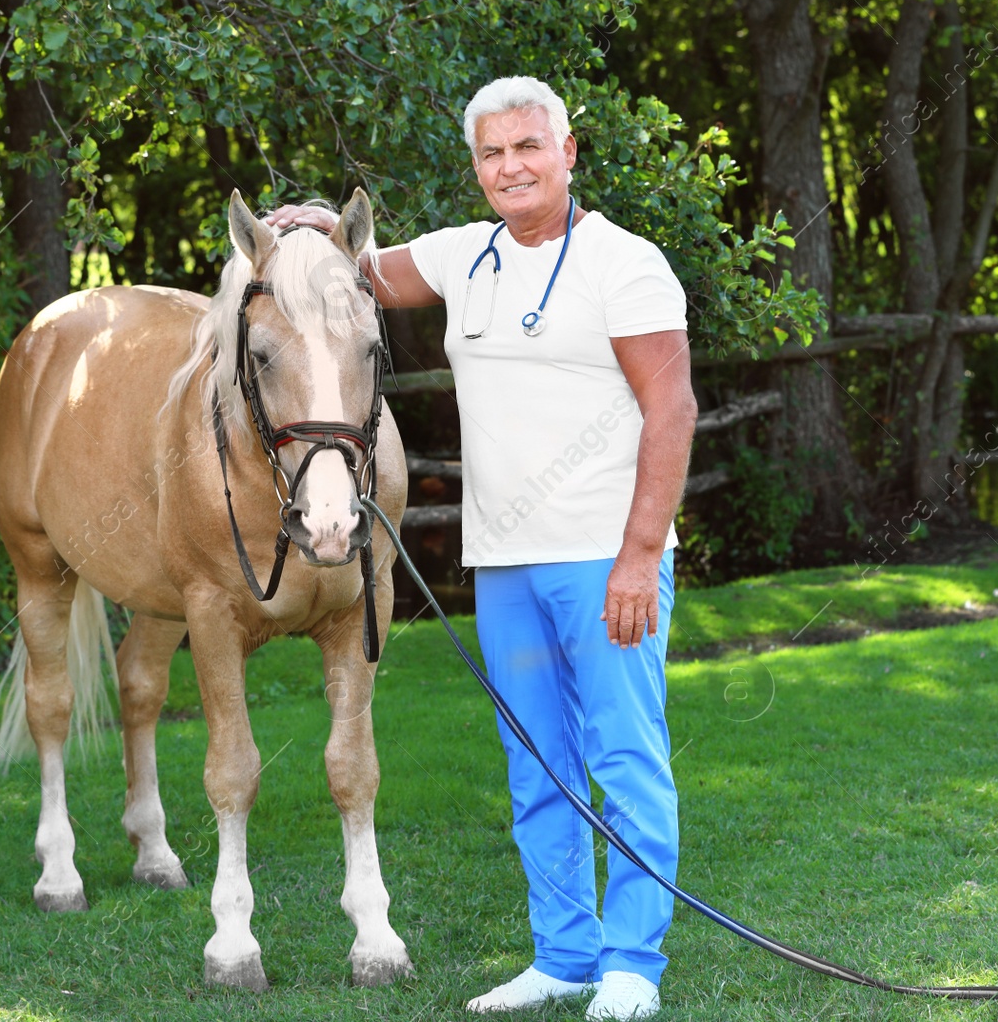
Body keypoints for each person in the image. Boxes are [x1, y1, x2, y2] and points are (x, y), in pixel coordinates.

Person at [267, 76, 697, 1021]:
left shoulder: (625, 264)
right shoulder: (463, 256)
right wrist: (302, 228)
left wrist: (638, 553)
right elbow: (337, 274)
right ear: (478, 166)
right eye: (493, 153)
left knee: (623, 757)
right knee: (538, 762)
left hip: (603, 556)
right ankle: (563, 953)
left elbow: (673, 409)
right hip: (502, 562)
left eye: (528, 147)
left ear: (568, 151)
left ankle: (631, 964)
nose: (511, 167)